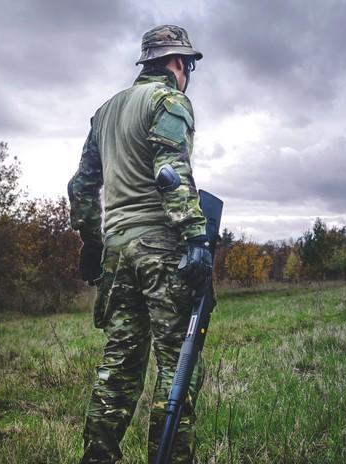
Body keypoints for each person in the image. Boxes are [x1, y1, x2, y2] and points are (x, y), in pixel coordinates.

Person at [68, 25, 212, 463]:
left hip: (117, 250)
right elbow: (171, 172)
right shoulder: (169, 100)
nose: (187, 73)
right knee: (177, 365)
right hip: (161, 250)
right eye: (187, 65)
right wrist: (195, 237)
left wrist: (93, 244)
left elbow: (81, 187)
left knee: (119, 367)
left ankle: (98, 458)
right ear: (178, 63)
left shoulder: (106, 112)